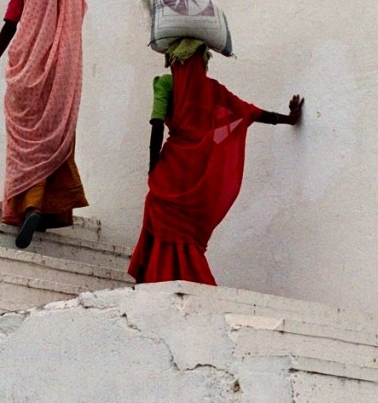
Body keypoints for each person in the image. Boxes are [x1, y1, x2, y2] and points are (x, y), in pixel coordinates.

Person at [128, 38, 303, 285]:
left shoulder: (167, 84)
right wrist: (288, 118)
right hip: (199, 173)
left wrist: (152, 167)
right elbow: (248, 112)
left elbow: (157, 125)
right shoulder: (213, 90)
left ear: (174, 61)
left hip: (172, 169)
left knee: (160, 217)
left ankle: (155, 277)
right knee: (185, 233)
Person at [0, 0, 88, 249]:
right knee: (54, 139)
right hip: (61, 81)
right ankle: (44, 209)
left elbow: (10, 25)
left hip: (27, 77)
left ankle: (31, 207)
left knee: (27, 145)